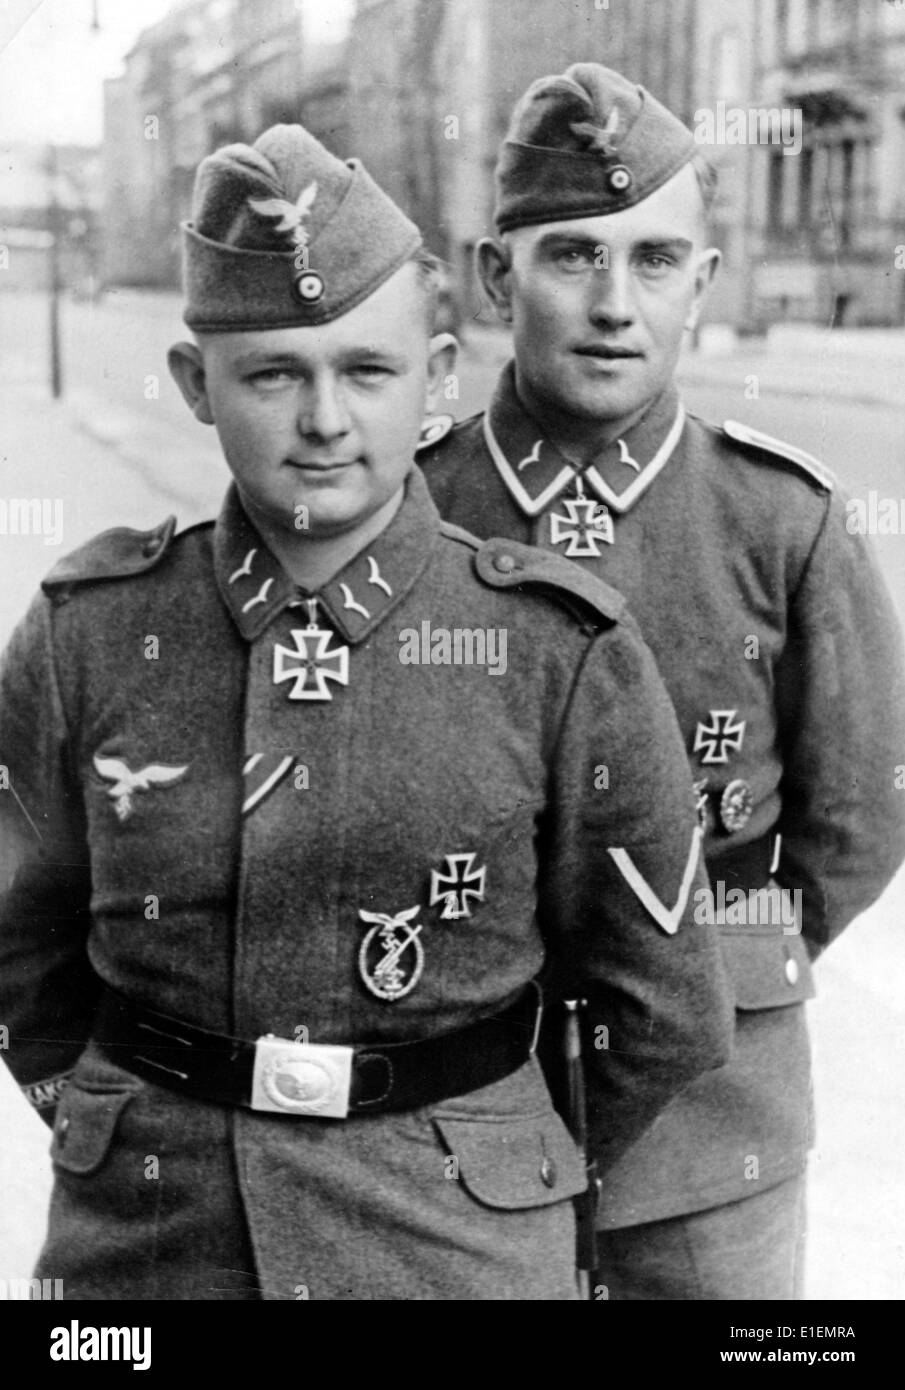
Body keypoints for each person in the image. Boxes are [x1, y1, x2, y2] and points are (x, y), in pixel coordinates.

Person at [0, 123, 732, 1301]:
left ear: (439, 376)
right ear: (198, 384)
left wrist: (512, 1168)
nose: (325, 420)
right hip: (148, 1245)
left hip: (456, 1251)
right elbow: (19, 944)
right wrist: (105, 1116)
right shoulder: (88, 632)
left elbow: (662, 1003)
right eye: (274, 373)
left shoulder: (555, 650)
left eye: (368, 370)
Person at [419, 62, 905, 1300]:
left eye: (652, 260)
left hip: (713, 1137)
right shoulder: (413, 508)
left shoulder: (778, 517)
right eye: (570, 255)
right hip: (450, 1126)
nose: (611, 304)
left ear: (702, 280)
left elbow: (855, 818)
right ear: (493, 275)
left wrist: (706, 955)